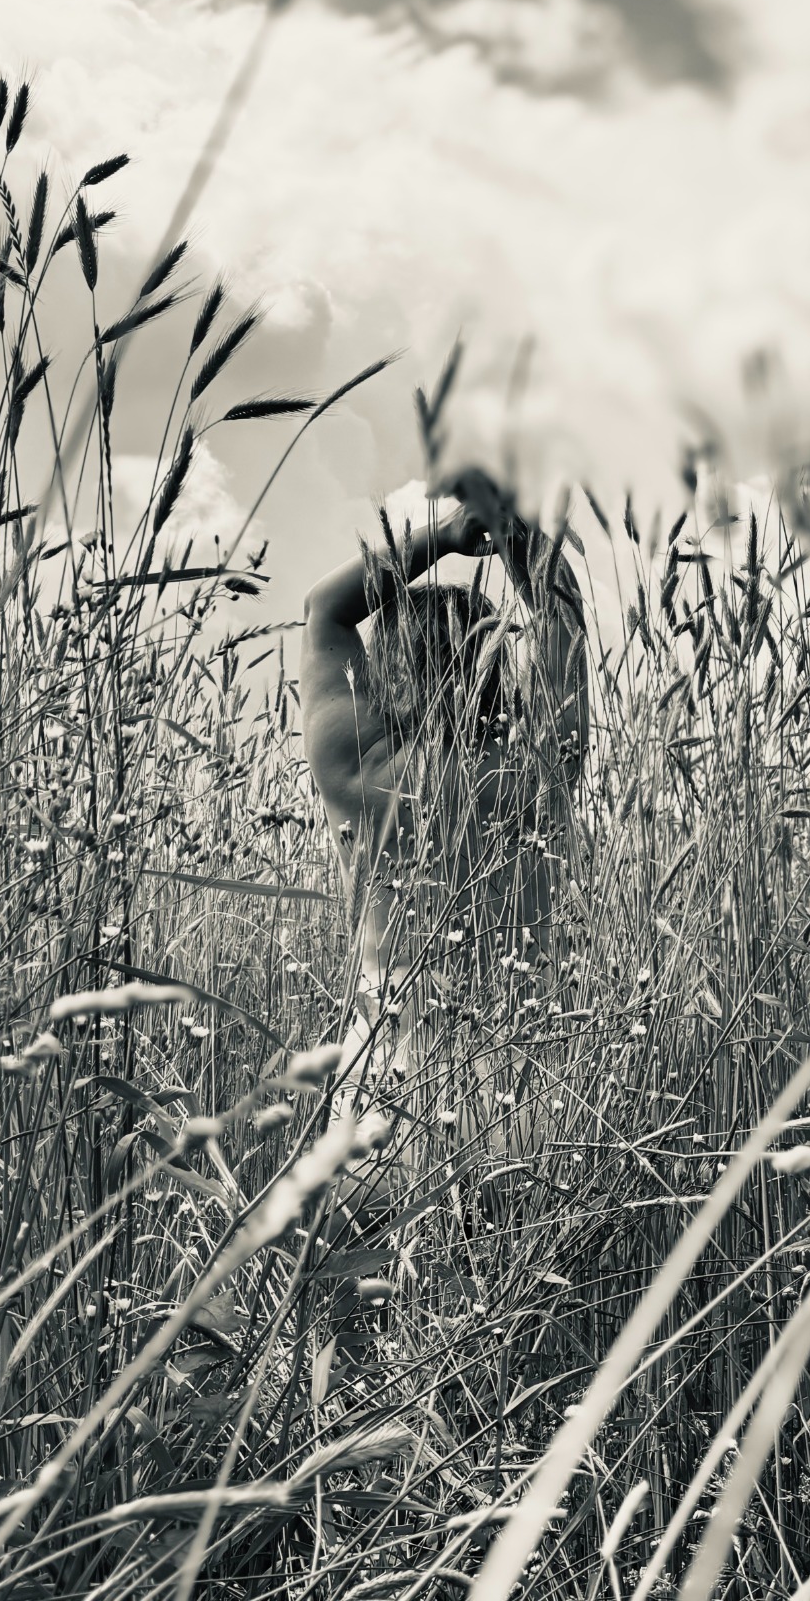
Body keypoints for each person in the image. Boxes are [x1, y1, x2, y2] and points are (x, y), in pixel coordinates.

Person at [299, 475, 590, 1219]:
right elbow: (563, 614)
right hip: (520, 1116)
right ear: (496, 664)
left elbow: (325, 609)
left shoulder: (359, 774)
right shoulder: (540, 770)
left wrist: (444, 534)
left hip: (379, 1112)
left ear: (387, 671)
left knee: (359, 1298)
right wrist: (513, 532)